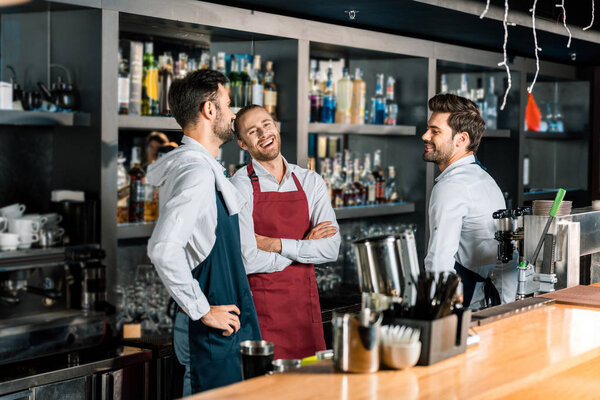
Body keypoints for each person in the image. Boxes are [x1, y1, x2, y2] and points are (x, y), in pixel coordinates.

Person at [146, 70, 291, 395]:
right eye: (228, 104)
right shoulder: (196, 172)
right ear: (209, 111)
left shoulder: (201, 166)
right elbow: (162, 248)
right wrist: (201, 309)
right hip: (208, 332)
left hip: (223, 327)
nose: (233, 113)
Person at [230, 104, 341, 359]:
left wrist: (274, 243)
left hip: (306, 313)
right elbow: (247, 259)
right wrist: (304, 244)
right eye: (253, 131)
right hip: (261, 316)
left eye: (267, 124)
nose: (264, 134)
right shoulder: (239, 186)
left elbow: (330, 248)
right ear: (243, 144)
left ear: (276, 126)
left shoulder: (310, 181)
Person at [422, 93, 517, 309]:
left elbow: (438, 263)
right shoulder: (485, 179)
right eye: (428, 128)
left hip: (462, 308)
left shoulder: (451, 187)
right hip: (487, 302)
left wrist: (437, 320)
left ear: (461, 139)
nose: (425, 136)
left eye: (435, 131)